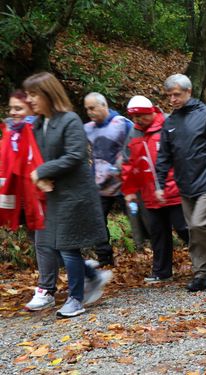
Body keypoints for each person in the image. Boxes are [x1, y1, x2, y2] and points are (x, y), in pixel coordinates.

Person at [22, 72, 112, 318]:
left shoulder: (70, 120)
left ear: (48, 94)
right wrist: (39, 177)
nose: (30, 100)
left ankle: (75, 298)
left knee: (68, 247)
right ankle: (92, 276)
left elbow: (75, 155)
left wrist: (41, 171)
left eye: (33, 94)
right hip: (54, 194)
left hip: (75, 194)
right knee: (52, 244)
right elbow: (39, 157)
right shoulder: (39, 124)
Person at [155, 74, 206, 292]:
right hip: (185, 184)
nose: (172, 99)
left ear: (188, 92)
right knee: (193, 230)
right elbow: (164, 156)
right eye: (169, 95)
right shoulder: (169, 122)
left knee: (200, 224)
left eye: (177, 94)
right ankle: (201, 273)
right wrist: (159, 183)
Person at [121, 95, 189, 283]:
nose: (137, 121)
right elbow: (128, 163)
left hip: (173, 189)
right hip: (149, 192)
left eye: (141, 116)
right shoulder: (134, 133)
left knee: (184, 228)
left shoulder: (168, 124)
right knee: (157, 232)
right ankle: (161, 270)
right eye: (134, 117)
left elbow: (183, 153)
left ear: (150, 112)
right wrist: (129, 190)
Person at [83, 92, 135, 266]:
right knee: (96, 222)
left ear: (104, 105)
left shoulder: (122, 123)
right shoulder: (88, 128)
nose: (89, 112)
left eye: (92, 108)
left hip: (123, 184)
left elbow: (136, 143)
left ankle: (157, 254)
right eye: (87, 109)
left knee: (139, 219)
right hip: (99, 185)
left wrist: (125, 167)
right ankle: (105, 260)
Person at [0, 90, 45, 233]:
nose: (13, 112)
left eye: (18, 108)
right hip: (19, 196)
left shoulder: (39, 131)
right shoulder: (10, 132)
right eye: (11, 108)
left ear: (32, 109)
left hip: (39, 196)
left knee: (44, 241)